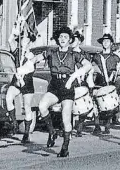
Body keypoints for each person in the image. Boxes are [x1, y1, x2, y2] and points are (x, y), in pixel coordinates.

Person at [37, 27, 92, 157]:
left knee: (66, 118)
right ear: (58, 38)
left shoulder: (74, 54)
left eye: (65, 37)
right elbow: (35, 59)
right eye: (61, 37)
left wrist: (75, 75)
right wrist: (26, 65)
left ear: (70, 40)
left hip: (68, 87)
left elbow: (88, 65)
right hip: (55, 85)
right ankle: (52, 132)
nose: (62, 39)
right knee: (42, 106)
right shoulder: (51, 52)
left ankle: (65, 147)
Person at [5, 30, 39, 143]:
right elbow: (10, 41)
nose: (22, 40)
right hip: (17, 81)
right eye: (21, 37)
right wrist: (14, 32)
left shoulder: (32, 55)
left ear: (29, 41)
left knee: (27, 106)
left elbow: (30, 68)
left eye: (24, 38)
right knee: (8, 97)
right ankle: (14, 122)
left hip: (26, 81)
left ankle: (27, 133)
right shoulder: (18, 52)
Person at [90, 33, 120, 135]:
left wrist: (118, 72)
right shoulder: (97, 56)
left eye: (107, 41)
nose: (105, 43)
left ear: (111, 43)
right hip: (98, 82)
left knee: (108, 104)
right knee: (96, 103)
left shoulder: (115, 57)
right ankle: (96, 126)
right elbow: (92, 68)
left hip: (110, 82)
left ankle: (107, 126)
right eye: (103, 41)